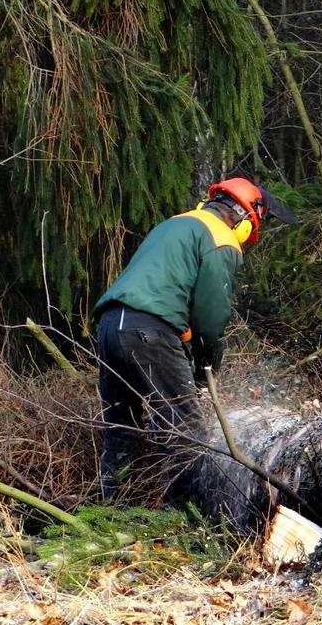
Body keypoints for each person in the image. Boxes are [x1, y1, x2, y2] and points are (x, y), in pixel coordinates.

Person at [92, 177, 292, 501]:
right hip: (148, 329)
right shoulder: (221, 237)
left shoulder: (175, 224)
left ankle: (110, 512)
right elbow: (211, 315)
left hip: (111, 324)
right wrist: (206, 365)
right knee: (186, 431)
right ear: (244, 218)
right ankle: (182, 518)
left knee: (122, 428)